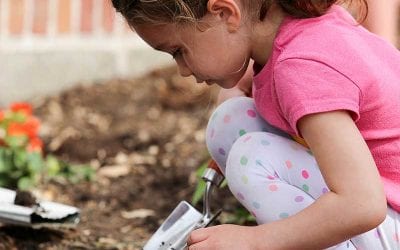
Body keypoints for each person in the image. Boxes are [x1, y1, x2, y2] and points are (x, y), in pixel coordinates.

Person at [111, 0, 400, 249]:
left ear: (225, 13)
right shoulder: (297, 33)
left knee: (251, 158)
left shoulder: (302, 67)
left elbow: (362, 204)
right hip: (383, 205)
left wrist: (256, 241)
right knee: (229, 121)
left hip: (379, 212)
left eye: (178, 51)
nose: (183, 70)